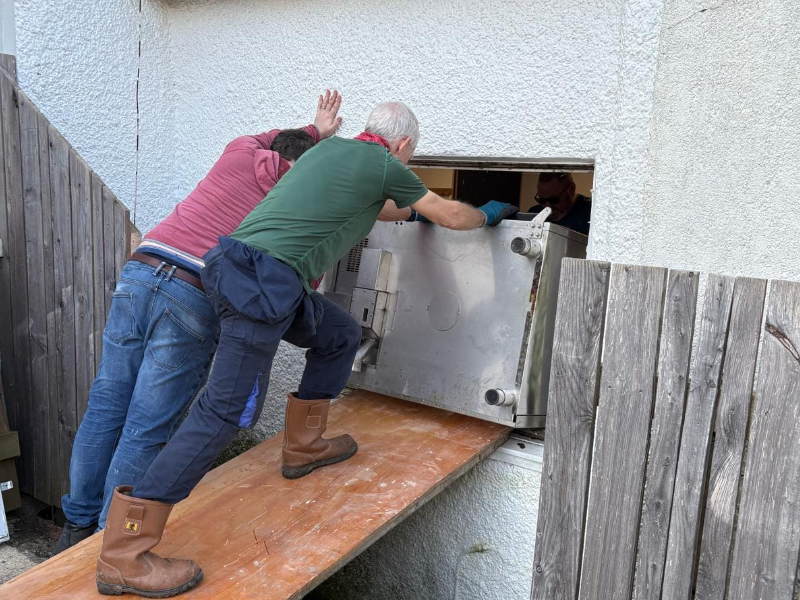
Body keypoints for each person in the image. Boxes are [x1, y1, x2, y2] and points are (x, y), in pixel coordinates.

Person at [93, 101, 517, 598]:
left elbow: (391, 209)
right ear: (402, 147)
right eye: (410, 157)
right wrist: (486, 214)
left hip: (243, 268)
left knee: (337, 333)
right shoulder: (384, 164)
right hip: (262, 284)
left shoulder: (328, 152)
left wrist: (419, 214)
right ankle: (125, 551)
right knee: (220, 413)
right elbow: (446, 213)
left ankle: (303, 445)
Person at [54, 91, 344, 554]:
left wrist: (314, 129)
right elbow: (301, 276)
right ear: (307, 169)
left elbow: (267, 137)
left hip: (142, 271)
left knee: (106, 407)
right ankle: (102, 545)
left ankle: (75, 527)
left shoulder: (240, 151)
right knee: (146, 427)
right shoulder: (296, 199)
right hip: (192, 292)